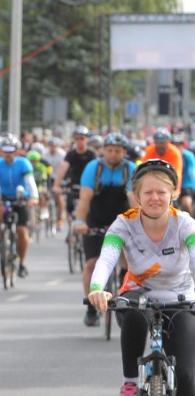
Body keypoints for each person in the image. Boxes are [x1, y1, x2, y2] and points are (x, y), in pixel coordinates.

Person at [87, 159, 195, 396]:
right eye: (147, 192)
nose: (154, 198)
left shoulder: (185, 224)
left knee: (189, 377)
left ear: (172, 194)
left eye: (161, 192)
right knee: (131, 311)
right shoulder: (123, 224)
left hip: (180, 299)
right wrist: (96, 289)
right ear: (136, 195)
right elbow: (107, 257)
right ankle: (130, 385)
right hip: (139, 293)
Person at [74, 133, 136, 326]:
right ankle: (92, 306)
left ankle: (124, 295)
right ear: (103, 151)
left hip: (123, 221)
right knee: (91, 265)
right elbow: (85, 198)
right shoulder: (94, 167)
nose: (113, 154)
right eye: (109, 150)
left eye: (118, 151)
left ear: (124, 152)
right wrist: (80, 222)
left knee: (129, 266)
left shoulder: (130, 169)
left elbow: (133, 199)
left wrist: (138, 223)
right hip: (96, 220)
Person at [0, 133, 39, 277]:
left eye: (11, 151)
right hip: (3, 197)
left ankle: (22, 263)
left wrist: (34, 197)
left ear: (16, 151)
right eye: (5, 151)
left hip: (20, 198)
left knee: (22, 232)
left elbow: (30, 183)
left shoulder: (23, 163)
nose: (8, 154)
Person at [52, 125, 96, 231]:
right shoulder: (71, 154)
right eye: (77, 138)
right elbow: (63, 167)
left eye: (82, 138)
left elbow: (96, 170)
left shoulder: (91, 154)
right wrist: (57, 184)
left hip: (88, 186)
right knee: (69, 206)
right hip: (74, 184)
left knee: (91, 208)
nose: (80, 141)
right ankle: (71, 230)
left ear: (87, 139)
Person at [172, 134, 195, 214]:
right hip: (173, 185)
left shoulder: (187, 156)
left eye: (179, 144)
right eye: (174, 144)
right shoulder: (171, 155)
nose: (176, 146)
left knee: (186, 203)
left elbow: (191, 174)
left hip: (186, 185)